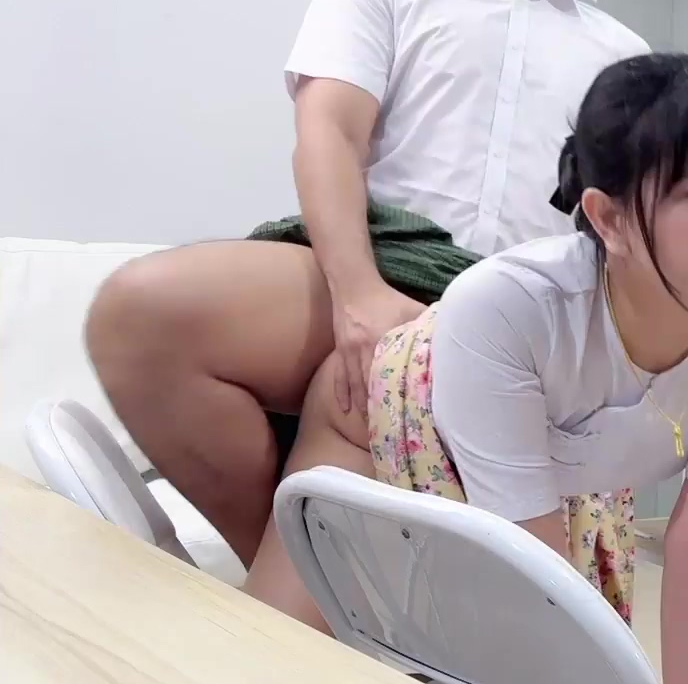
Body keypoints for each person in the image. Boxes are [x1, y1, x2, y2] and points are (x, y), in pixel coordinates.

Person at [245, 51, 688, 684]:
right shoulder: (510, 306)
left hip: (559, 471)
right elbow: (515, 574)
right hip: (379, 417)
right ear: (609, 219)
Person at [85, 0, 649, 570]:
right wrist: (358, 295)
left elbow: (637, 242)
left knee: (357, 389)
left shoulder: (626, 59)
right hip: (384, 259)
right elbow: (328, 128)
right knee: (140, 315)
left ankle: (320, 589)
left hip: (516, 318)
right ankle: (322, 576)